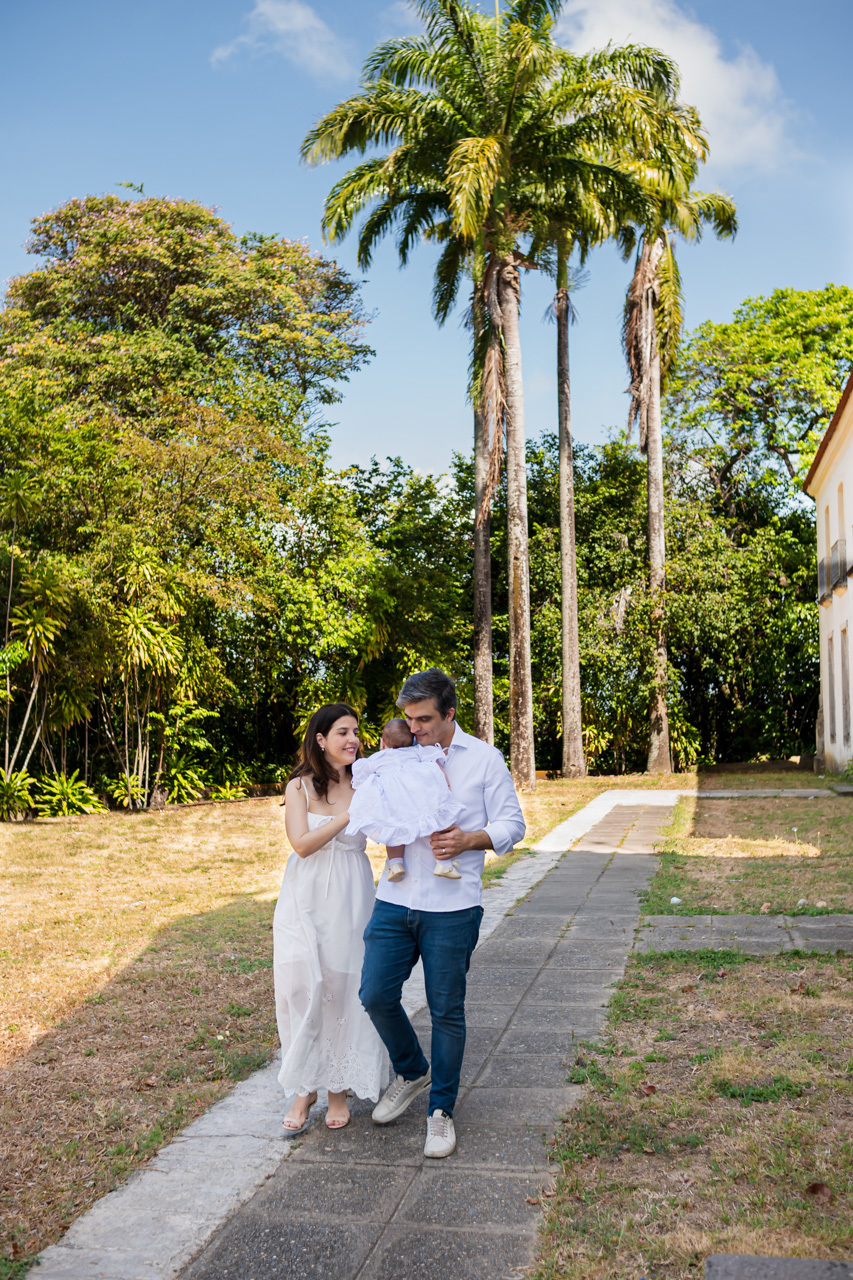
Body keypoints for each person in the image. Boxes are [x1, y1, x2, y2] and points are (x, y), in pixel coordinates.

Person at [359, 669, 526, 1158]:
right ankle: (413, 1070)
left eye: (424, 720)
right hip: (394, 900)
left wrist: (470, 839)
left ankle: (441, 1111)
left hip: (453, 907)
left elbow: (513, 824)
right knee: (374, 994)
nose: (414, 729)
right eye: (409, 719)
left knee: (446, 1009)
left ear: (450, 713)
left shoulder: (485, 760)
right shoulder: (400, 750)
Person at [275, 703, 389, 1134]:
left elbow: (388, 830)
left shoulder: (366, 783)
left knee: (341, 987)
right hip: (303, 894)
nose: (353, 740)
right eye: (343, 732)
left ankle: (337, 1088)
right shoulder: (299, 787)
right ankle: (304, 1086)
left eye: (356, 732)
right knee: (300, 985)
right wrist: (348, 815)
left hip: (350, 892)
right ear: (321, 739)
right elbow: (302, 844)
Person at [346, 717, 466, 881]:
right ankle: (443, 863)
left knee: (394, 831)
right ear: (413, 739)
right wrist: (445, 786)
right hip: (421, 799)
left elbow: (362, 776)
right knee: (439, 824)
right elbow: (436, 766)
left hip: (396, 803)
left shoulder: (379, 757)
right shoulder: (418, 751)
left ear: (383, 742)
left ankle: (395, 864)